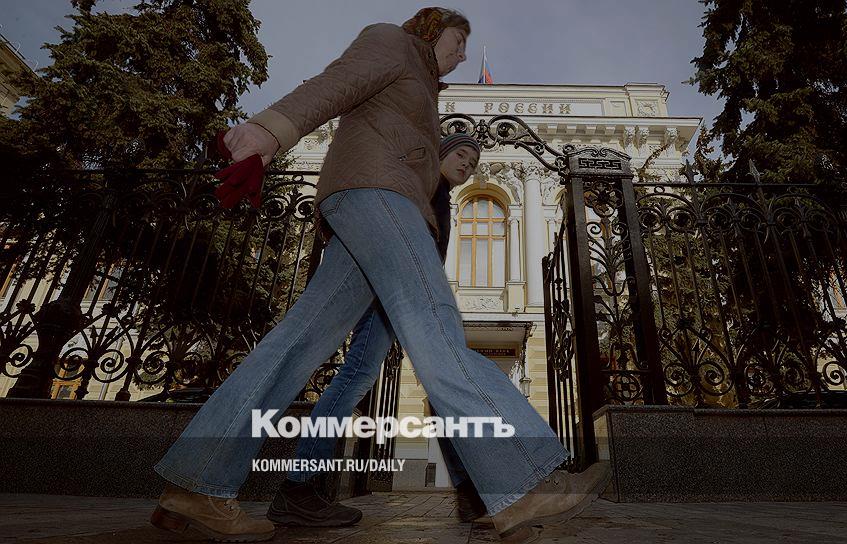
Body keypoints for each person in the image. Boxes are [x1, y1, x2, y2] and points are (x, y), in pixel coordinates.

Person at [149, 8, 609, 543]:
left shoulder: (421, 82)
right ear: (431, 29)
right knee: (437, 329)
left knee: (293, 346)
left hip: (367, 205)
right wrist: (267, 131)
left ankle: (196, 483)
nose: (463, 55)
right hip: (378, 198)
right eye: (458, 40)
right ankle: (525, 478)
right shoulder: (393, 42)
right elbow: (335, 84)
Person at [266, 133, 486, 528]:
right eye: (461, 154)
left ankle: (299, 485)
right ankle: (299, 485)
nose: (466, 165)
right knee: (415, 382)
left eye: (472, 163)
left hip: (400, 295)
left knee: (373, 379)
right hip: (395, 293)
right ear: (440, 153)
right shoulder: (422, 187)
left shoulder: (439, 196)